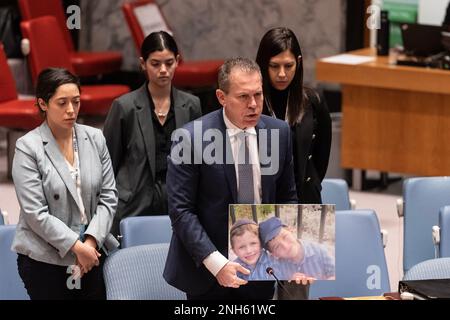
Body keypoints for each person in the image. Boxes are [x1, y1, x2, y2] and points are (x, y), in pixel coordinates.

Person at [163, 57, 298, 300]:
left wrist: (295, 253)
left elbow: (288, 197)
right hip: (208, 272)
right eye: (243, 97)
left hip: (260, 270)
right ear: (222, 97)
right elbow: (181, 211)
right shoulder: (190, 138)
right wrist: (217, 264)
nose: (254, 105)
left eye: (258, 94)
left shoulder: (279, 133)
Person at [11, 68, 118, 300]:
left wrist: (89, 243)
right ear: (43, 104)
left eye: (76, 102)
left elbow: (109, 196)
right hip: (45, 259)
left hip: (94, 250)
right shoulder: (28, 147)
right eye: (62, 103)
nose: (71, 110)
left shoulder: (95, 138)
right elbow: (35, 213)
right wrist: (76, 247)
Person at [103, 31, 202, 237]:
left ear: (177, 61)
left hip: (179, 200)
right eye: (155, 64)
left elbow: (198, 161)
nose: (163, 70)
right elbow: (108, 164)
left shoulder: (192, 105)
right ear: (143, 64)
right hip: (135, 203)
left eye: (169, 63)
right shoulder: (124, 107)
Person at [256, 27, 331, 204]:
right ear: (262, 64)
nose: (282, 74)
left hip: (305, 197)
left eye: (288, 66)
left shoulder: (313, 101)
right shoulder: (252, 103)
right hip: (260, 198)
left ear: (298, 62)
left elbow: (321, 159)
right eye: (274, 66)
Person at [259, 217, 335, 281]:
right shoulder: (276, 266)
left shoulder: (320, 251)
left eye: (285, 237)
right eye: (277, 247)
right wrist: (291, 285)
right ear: (274, 254)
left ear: (291, 230)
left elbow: (339, 276)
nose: (286, 246)